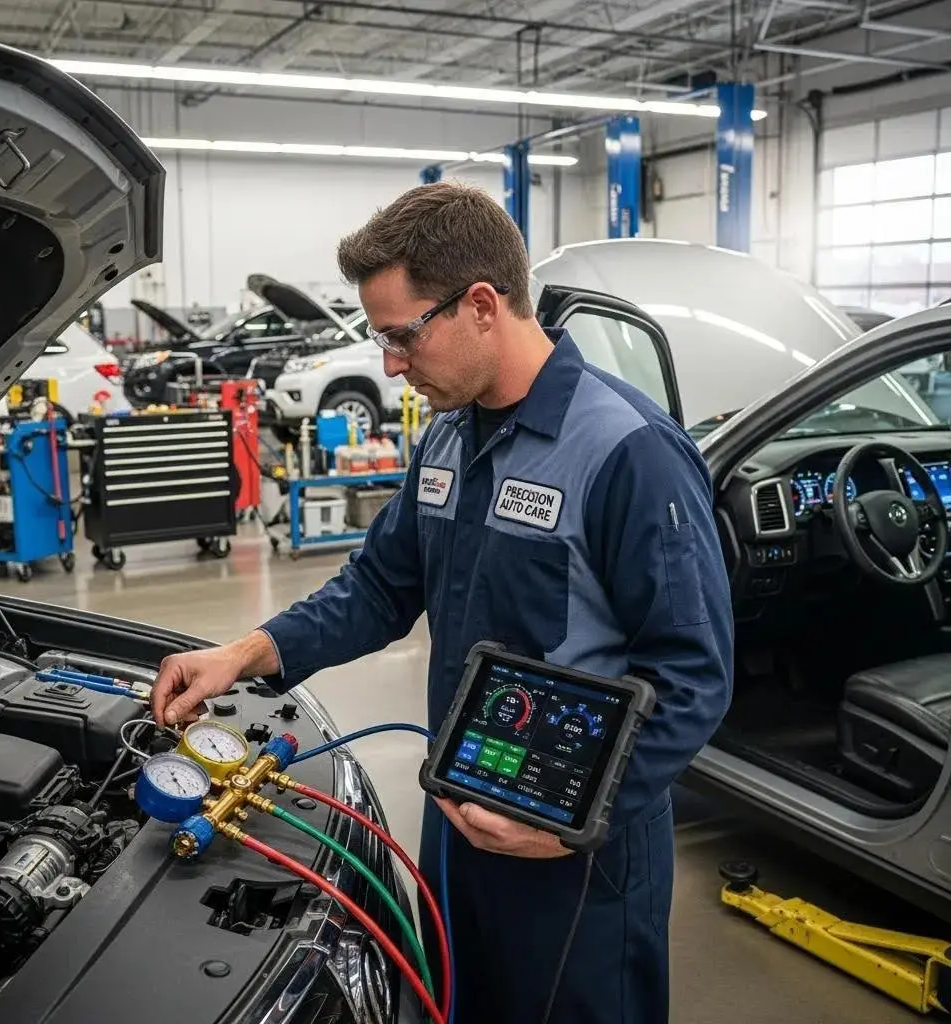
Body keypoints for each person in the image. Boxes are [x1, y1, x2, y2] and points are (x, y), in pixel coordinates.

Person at [150, 182, 734, 1023]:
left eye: (401, 335)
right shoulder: (450, 439)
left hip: (574, 854)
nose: (390, 364)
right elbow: (382, 586)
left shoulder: (628, 453)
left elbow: (691, 674)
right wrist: (243, 653)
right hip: (459, 821)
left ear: (483, 305)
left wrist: (570, 822)